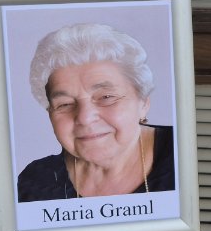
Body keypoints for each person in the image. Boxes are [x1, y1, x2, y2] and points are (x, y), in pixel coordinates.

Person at [17, 23, 175, 202]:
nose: (85, 118)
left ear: (143, 102)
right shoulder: (35, 183)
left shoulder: (183, 154)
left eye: (106, 97)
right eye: (65, 104)